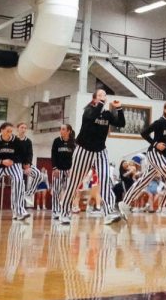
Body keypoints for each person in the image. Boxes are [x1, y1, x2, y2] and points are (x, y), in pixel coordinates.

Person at [53, 90, 127, 224]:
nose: (102, 97)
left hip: (100, 151)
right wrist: (100, 104)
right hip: (84, 150)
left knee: (105, 180)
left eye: (104, 95)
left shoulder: (107, 114)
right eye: (99, 96)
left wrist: (119, 109)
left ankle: (109, 212)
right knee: (74, 182)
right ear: (94, 100)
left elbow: (121, 124)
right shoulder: (88, 110)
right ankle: (64, 212)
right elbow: (92, 117)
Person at [119, 99, 166, 221]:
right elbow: (144, 133)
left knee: (143, 181)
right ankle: (164, 207)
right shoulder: (160, 122)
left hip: (163, 156)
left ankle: (124, 203)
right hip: (154, 153)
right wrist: (155, 143)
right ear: (165, 109)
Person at [48, 124, 75, 220]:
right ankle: (56, 211)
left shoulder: (73, 143)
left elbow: (75, 158)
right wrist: (54, 168)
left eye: (63, 129)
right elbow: (53, 155)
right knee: (56, 191)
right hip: (58, 169)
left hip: (69, 170)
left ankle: (67, 211)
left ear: (68, 131)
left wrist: (72, 169)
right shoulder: (57, 141)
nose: (61, 131)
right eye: (61, 129)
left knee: (69, 191)